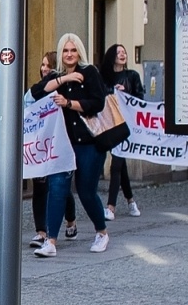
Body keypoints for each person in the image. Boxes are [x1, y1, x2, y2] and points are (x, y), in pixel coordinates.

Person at [34, 33, 110, 256]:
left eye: (73, 50)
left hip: (88, 142)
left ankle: (102, 232)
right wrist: (64, 80)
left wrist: (69, 103)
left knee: (86, 191)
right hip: (62, 143)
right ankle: (51, 241)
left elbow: (97, 103)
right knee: (57, 189)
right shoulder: (57, 76)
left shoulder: (90, 72)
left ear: (80, 52)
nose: (69, 55)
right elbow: (36, 92)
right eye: (65, 50)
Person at [28, 51, 75, 250]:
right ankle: (42, 231)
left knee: (59, 187)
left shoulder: (64, 89)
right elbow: (33, 94)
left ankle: (70, 220)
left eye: (48, 65)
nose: (44, 68)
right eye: (42, 64)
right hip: (40, 144)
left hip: (58, 143)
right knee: (39, 186)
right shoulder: (40, 89)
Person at [101, 43, 145, 219]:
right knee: (121, 165)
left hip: (126, 126)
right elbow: (100, 94)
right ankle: (131, 201)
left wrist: (126, 94)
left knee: (117, 163)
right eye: (119, 52)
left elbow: (140, 97)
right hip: (110, 124)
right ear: (112, 56)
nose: (122, 54)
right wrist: (113, 91)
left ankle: (111, 207)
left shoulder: (132, 75)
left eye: (124, 52)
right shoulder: (105, 77)